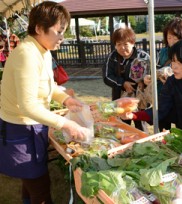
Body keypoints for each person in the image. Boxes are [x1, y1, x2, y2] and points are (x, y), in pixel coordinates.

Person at [0, 2, 89, 203]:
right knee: (40, 188)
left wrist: (66, 99)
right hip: (20, 128)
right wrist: (66, 123)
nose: (62, 37)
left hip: (31, 125)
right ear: (39, 28)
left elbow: (48, 86)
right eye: (58, 31)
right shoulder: (26, 54)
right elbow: (28, 105)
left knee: (32, 180)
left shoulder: (43, 50)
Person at [144, 17, 182, 131]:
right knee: (163, 127)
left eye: (176, 38)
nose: (172, 41)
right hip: (164, 96)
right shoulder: (163, 52)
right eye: (169, 37)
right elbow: (156, 69)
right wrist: (149, 78)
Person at [103, 26, 150, 132]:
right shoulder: (112, 57)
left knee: (141, 126)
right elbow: (106, 77)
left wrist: (143, 82)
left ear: (133, 43)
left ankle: (144, 142)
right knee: (122, 127)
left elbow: (152, 76)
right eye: (118, 44)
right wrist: (123, 83)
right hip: (120, 98)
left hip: (140, 99)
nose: (122, 48)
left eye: (125, 44)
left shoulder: (143, 57)